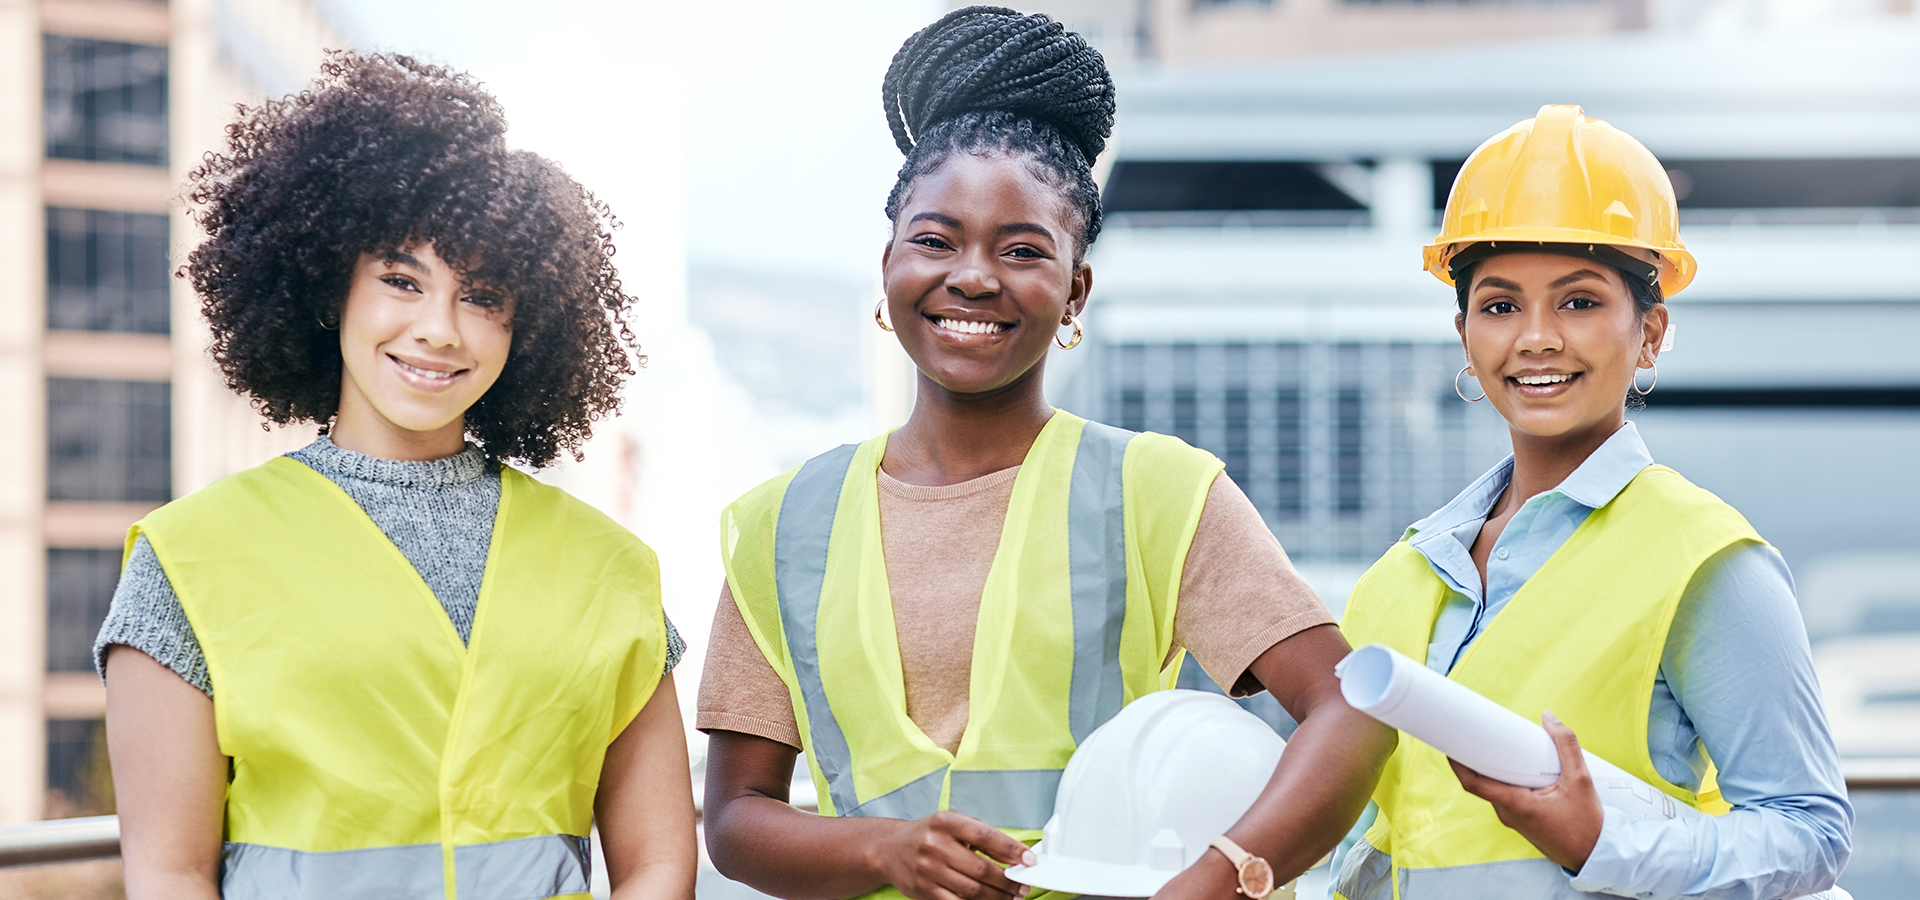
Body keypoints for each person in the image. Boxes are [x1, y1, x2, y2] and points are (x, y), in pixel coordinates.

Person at [697, 9, 1396, 900]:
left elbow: (1351, 714)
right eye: (935, 240)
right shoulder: (781, 525)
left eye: (1023, 250)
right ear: (887, 266)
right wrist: (884, 850)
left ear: (1076, 291)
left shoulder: (1154, 492)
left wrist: (1212, 882)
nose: (975, 276)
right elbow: (736, 818)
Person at [97, 53, 696, 900]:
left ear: (529, 324)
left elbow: (660, 866)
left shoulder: (611, 568)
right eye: (401, 280)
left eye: (483, 296)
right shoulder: (189, 560)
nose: (440, 330)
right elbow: (168, 874)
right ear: (327, 284)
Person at [1333, 105, 1852, 900]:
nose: (1536, 337)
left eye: (1578, 302)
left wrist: (1604, 844)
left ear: (1649, 334)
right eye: (1500, 305)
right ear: (1465, 336)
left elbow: (1810, 833)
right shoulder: (1399, 578)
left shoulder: (1703, 559)